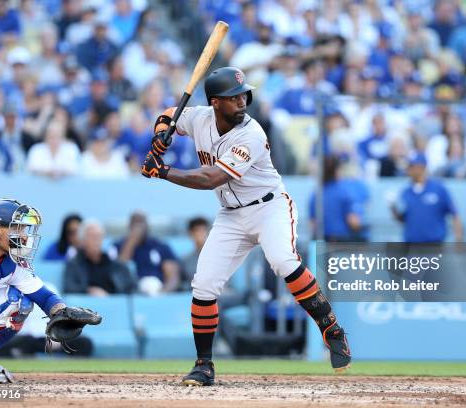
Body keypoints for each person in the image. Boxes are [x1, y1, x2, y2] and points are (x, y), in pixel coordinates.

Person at [141, 67, 351, 386]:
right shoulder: (199, 117)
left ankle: (331, 328)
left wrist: (163, 170)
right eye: (234, 97)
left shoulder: (251, 133)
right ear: (215, 103)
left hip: (269, 207)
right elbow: (169, 114)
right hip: (231, 215)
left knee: (283, 260)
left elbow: (211, 177)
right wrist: (160, 134)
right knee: (204, 285)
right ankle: (204, 365)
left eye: (243, 95)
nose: (242, 101)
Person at [0, 199, 93, 383]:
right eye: (17, 228)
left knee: (19, 302)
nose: (24, 236)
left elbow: (43, 296)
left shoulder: (13, 262)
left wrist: (62, 312)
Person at [391, 153, 464, 243]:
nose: (408, 170)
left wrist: (459, 239)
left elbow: (454, 214)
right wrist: (392, 207)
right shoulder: (406, 191)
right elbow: (403, 220)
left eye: (412, 166)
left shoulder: (439, 189)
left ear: (422, 167)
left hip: (434, 246)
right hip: (411, 247)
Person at [63, 221, 135, 296]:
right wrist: (89, 291)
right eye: (92, 237)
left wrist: (108, 296)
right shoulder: (73, 265)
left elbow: (131, 289)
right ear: (82, 241)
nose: (96, 241)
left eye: (99, 237)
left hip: (114, 305)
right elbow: (69, 289)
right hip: (85, 306)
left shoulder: (118, 266)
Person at [115, 212, 180, 294]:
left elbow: (173, 277)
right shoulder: (119, 246)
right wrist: (131, 241)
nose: (138, 227)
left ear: (147, 225)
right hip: (130, 291)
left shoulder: (160, 246)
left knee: (151, 284)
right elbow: (117, 270)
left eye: (141, 222)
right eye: (135, 222)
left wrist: (163, 292)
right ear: (129, 226)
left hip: (158, 289)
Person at [181, 217, 210, 291]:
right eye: (197, 231)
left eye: (203, 230)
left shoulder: (220, 257)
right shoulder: (185, 260)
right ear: (190, 233)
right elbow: (183, 284)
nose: (201, 234)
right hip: (197, 296)